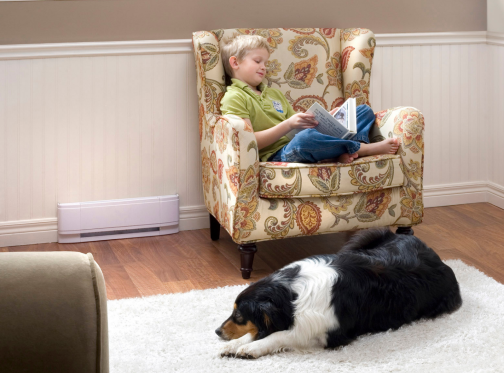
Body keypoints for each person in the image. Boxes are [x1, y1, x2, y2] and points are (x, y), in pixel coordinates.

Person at [219, 35, 400, 164]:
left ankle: (339, 152)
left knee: (363, 111)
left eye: (266, 63)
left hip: (298, 138)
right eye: (258, 61)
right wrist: (288, 124)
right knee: (305, 139)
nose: (264, 67)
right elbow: (249, 141)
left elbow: (296, 126)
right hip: (280, 153)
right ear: (235, 63)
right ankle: (361, 149)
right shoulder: (234, 97)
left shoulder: (274, 94)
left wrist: (322, 118)